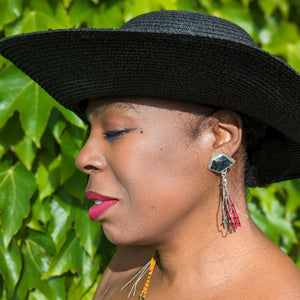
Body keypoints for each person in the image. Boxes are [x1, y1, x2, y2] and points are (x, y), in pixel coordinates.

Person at [1, 10, 300, 300]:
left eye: (115, 132)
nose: (84, 158)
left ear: (220, 136)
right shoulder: (130, 266)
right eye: (89, 132)